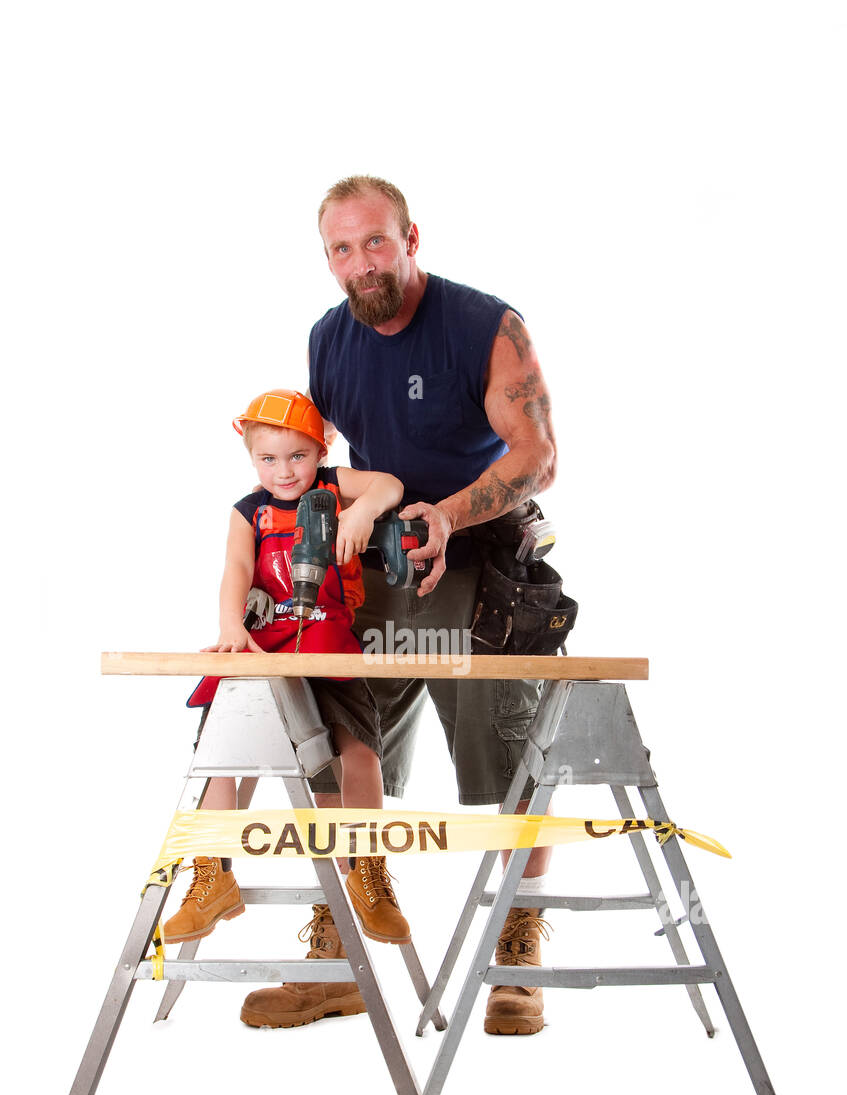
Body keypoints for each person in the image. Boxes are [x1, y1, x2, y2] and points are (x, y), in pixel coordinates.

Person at [248, 174, 559, 1037]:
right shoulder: (329, 339)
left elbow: (539, 455)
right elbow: (319, 463)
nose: (360, 263)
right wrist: (309, 534)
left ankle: (516, 945)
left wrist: (448, 514)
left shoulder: (484, 326)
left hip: (478, 567)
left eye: (374, 242)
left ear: (411, 236)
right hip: (374, 575)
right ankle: (339, 953)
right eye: (341, 249)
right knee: (338, 751)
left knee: (510, 761)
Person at [162, 388, 414, 1029]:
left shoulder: (333, 483)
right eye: (268, 458)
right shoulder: (247, 512)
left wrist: (361, 513)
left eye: (297, 456)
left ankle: (367, 869)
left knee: (358, 750)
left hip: (328, 636)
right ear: (251, 458)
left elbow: (388, 482)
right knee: (227, 755)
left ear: (319, 451)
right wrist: (229, 630)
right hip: (268, 637)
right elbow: (234, 573)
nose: (284, 470)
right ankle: (211, 872)